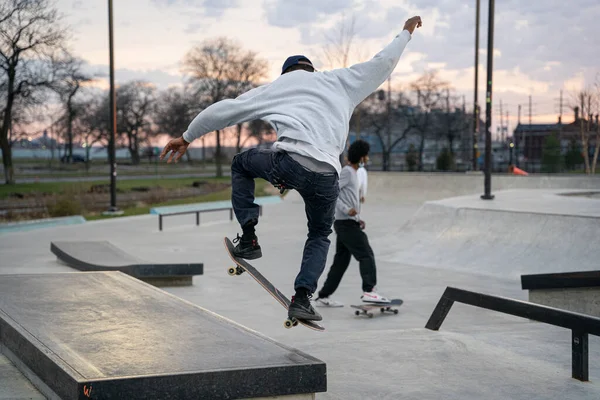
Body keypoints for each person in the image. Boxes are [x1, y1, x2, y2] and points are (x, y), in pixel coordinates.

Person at [160, 16, 422, 322]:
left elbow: (225, 110)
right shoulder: (340, 81)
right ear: (311, 69)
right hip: (328, 176)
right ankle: (302, 299)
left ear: (286, 72)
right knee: (320, 236)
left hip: (289, 163)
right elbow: (383, 62)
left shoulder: (278, 87)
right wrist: (405, 33)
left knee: (240, 164)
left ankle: (248, 238)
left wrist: (188, 136)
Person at [314, 140, 388, 307]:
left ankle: (323, 296)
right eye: (366, 156)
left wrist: (357, 217)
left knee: (341, 261)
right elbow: (333, 192)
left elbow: (349, 197)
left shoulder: (354, 173)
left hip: (348, 222)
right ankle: (370, 291)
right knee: (366, 254)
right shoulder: (347, 172)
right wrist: (347, 210)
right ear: (360, 157)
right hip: (345, 223)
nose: (367, 159)